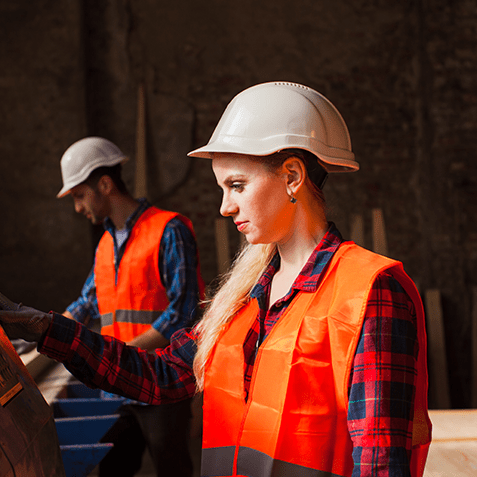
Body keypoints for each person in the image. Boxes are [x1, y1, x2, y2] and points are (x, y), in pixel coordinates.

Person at [0, 82, 431, 477]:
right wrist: (46, 328)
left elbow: (381, 464)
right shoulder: (243, 300)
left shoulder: (369, 292)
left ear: (293, 177)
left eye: (237, 185)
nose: (225, 207)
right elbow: (162, 376)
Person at [55, 136, 204, 477]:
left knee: (172, 468)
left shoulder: (169, 230)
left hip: (161, 382)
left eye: (79, 195)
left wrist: (122, 354)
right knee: (112, 470)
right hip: (118, 386)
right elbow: (86, 302)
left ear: (104, 184)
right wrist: (45, 328)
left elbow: (184, 311)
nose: (78, 207)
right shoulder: (106, 242)